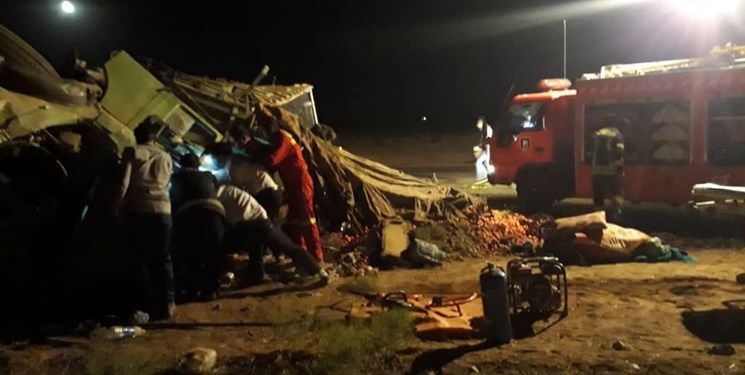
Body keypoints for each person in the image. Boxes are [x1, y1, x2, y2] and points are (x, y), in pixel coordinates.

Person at [230, 105, 325, 262]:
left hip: (300, 182)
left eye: (262, 130)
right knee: (296, 220)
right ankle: (303, 257)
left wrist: (250, 148)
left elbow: (273, 160)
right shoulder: (276, 139)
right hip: (291, 182)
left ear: (268, 129)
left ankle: (317, 258)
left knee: (308, 219)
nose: (262, 134)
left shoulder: (283, 138)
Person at [216, 184, 328, 285]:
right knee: (284, 246)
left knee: (284, 247)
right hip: (261, 221)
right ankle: (319, 271)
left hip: (256, 223)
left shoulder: (218, 194)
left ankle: (318, 271)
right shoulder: (229, 190)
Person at [121, 117, 175, 321]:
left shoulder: (133, 152)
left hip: (139, 210)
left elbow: (123, 184)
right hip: (163, 211)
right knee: (163, 259)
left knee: (140, 259)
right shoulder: (165, 156)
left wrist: (117, 206)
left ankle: (144, 305)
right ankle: (168, 303)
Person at [170, 153, 225, 301]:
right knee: (213, 251)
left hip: (190, 214)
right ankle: (212, 288)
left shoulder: (176, 178)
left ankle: (193, 288)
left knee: (191, 251)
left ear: (182, 165)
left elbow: (174, 200)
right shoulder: (208, 175)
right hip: (215, 213)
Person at [590, 126, 625, 221]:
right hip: (611, 170)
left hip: (596, 170)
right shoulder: (617, 135)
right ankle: (615, 214)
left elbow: (590, 151)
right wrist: (620, 170)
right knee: (616, 192)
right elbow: (619, 152)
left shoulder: (597, 133)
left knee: (598, 195)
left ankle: (597, 218)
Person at [474, 116, 494, 182]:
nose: (477, 125)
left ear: (482, 122)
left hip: (488, 149)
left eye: (478, 123)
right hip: (486, 149)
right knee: (485, 164)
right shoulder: (484, 130)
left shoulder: (487, 129)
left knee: (479, 163)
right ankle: (486, 178)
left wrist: (480, 147)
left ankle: (483, 179)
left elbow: (488, 140)